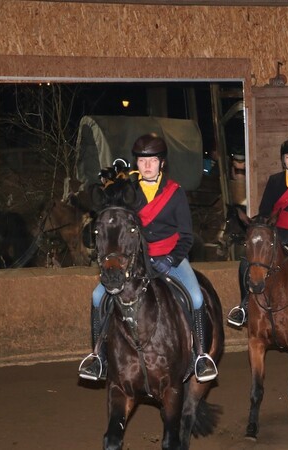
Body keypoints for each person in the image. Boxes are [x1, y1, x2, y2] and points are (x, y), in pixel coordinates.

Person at [78, 133, 218, 383]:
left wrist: (171, 260)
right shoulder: (126, 192)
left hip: (170, 257)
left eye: (152, 161)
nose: (147, 166)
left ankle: (200, 355)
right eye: (142, 161)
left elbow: (186, 236)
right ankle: (98, 356)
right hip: (134, 260)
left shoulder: (175, 193)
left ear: (161, 163)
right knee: (98, 295)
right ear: (136, 164)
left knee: (196, 297)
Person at [227, 139, 288, 326]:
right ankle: (244, 306)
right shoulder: (274, 181)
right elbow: (265, 211)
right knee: (246, 264)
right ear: (283, 160)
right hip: (276, 235)